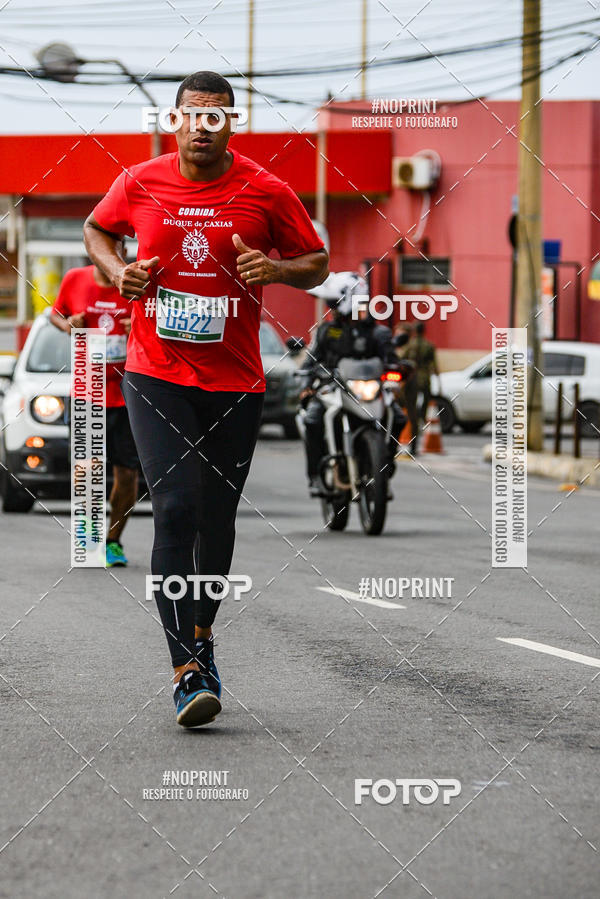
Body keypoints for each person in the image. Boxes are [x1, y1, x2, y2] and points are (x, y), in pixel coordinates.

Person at [83, 70, 329, 728]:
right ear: (176, 119)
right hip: (155, 371)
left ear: (231, 123)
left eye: (215, 117)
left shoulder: (264, 189)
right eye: (192, 116)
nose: (201, 127)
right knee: (177, 506)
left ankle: (203, 634)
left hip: (235, 380)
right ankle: (186, 669)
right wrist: (117, 271)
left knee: (217, 519)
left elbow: (317, 259)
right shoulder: (139, 182)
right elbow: (96, 228)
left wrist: (277, 270)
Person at [50, 243, 139, 567]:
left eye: (116, 245)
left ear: (123, 249)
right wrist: (68, 324)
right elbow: (56, 315)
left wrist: (139, 328)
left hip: (128, 394)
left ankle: (113, 541)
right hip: (88, 392)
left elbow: (159, 326)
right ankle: (88, 531)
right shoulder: (74, 279)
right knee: (88, 471)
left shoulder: (136, 284)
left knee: (127, 475)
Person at [300, 272, 404, 495]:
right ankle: (316, 475)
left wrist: (397, 369)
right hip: (334, 389)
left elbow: (391, 360)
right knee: (312, 419)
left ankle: (384, 464)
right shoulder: (327, 331)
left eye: (333, 303)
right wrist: (307, 380)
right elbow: (312, 360)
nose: (331, 308)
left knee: (399, 416)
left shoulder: (378, 333)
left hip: (369, 391)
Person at [404, 321, 440, 423]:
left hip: (412, 377)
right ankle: (423, 417)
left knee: (412, 401)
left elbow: (402, 358)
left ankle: (414, 418)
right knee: (426, 398)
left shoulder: (410, 345)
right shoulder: (429, 345)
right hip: (425, 376)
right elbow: (434, 365)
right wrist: (439, 383)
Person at [393, 322, 419, 455]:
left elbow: (412, 367)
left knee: (411, 414)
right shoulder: (396, 347)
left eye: (400, 333)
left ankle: (414, 446)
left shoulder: (411, 347)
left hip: (408, 384)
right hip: (396, 383)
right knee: (394, 413)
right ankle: (393, 444)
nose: (397, 335)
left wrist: (402, 386)